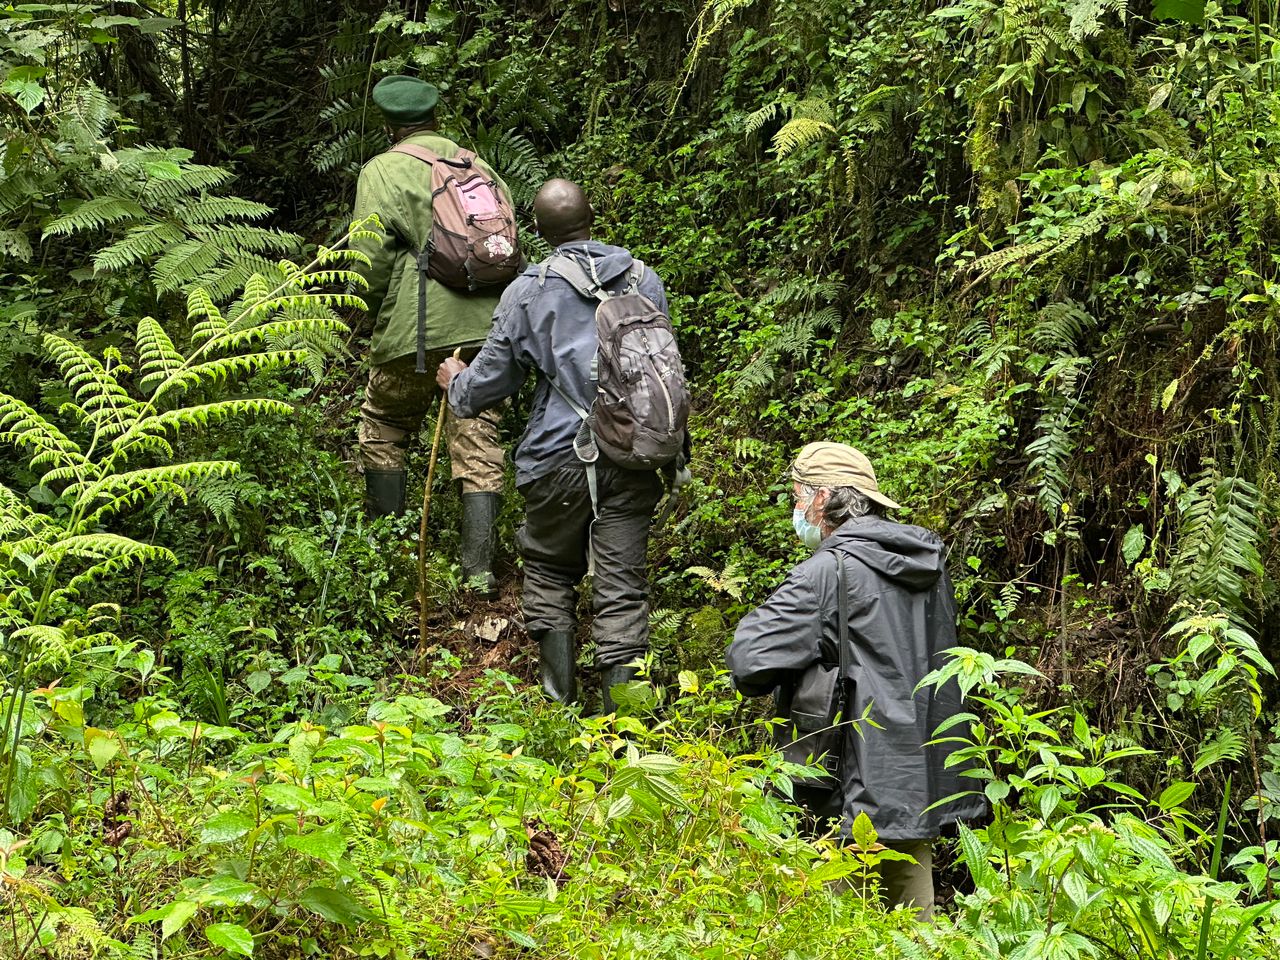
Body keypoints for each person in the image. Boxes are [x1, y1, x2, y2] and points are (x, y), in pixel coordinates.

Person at [436, 179, 674, 710]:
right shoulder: (643, 279)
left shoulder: (528, 290)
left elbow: (487, 386)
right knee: (623, 589)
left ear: (539, 233)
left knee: (547, 566)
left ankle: (558, 708)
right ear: (593, 215)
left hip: (556, 457)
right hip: (634, 453)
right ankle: (628, 730)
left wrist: (455, 379)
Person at [725, 442, 984, 918]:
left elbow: (750, 660)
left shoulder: (828, 571)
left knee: (830, 933)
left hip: (847, 792)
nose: (794, 509)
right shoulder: (927, 566)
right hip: (917, 789)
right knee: (915, 933)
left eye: (797, 496)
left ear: (822, 500)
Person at [351, 74, 511, 598]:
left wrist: (365, 311)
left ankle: (390, 553)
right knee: (477, 432)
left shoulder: (384, 169)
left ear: (389, 124)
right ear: (436, 117)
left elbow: (368, 258)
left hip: (415, 333)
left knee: (385, 421)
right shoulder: (478, 168)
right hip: (486, 331)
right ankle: (479, 572)